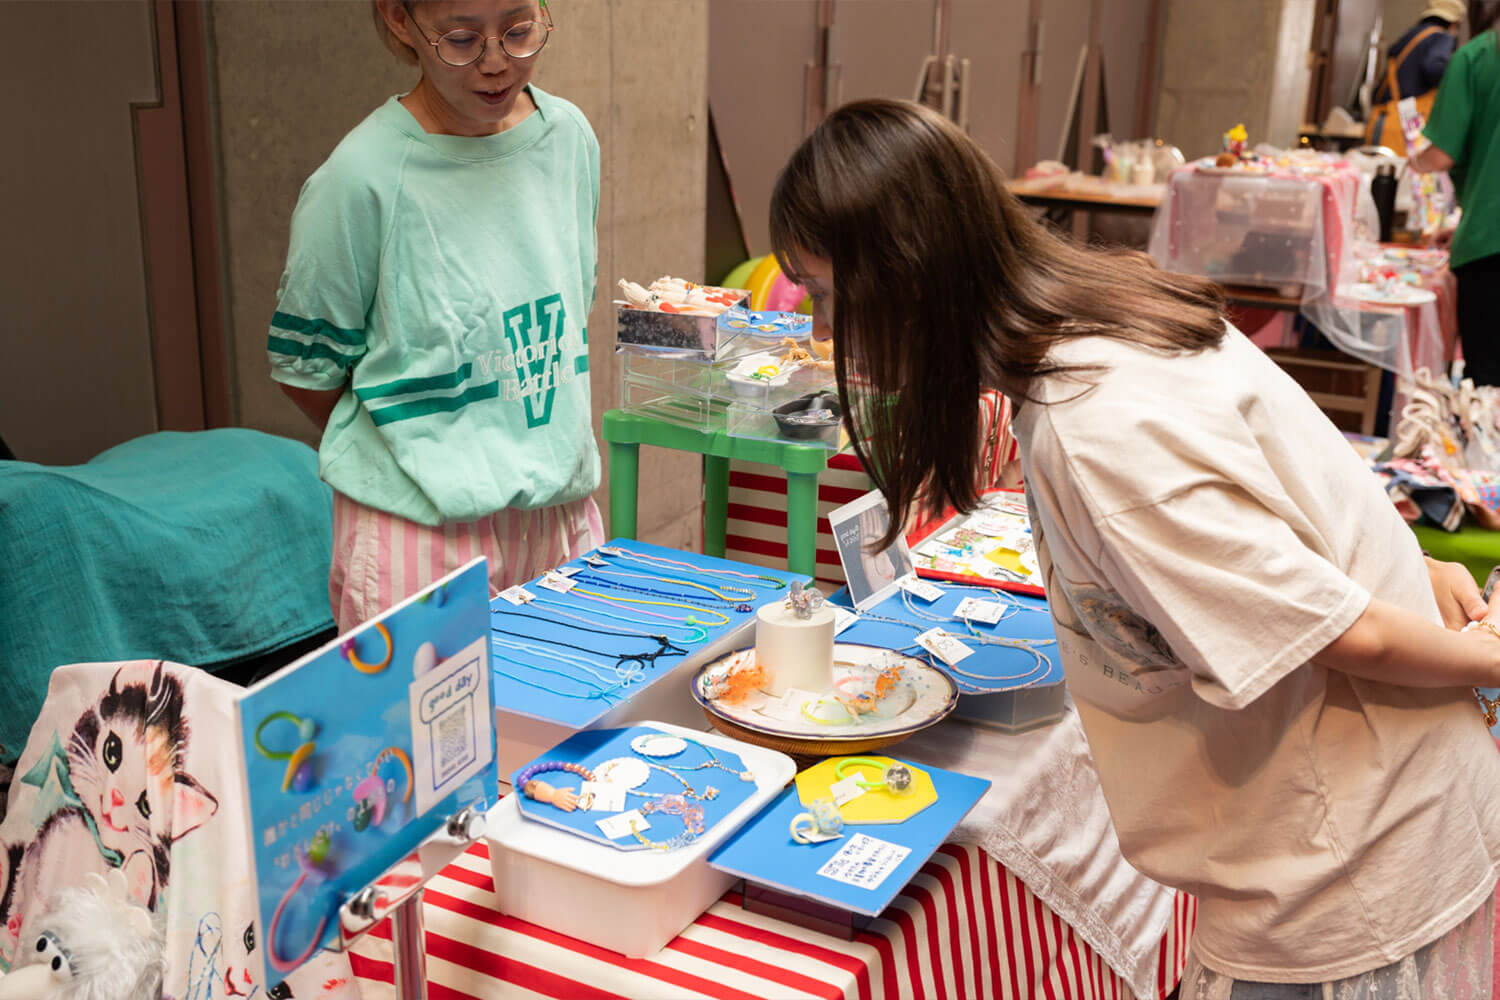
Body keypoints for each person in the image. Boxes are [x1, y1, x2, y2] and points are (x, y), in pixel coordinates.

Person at [770, 99, 1500, 994]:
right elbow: (1286, 497)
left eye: (831, 295)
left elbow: (1348, 635)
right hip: (1362, 826)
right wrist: (1409, 566)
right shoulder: (1107, 314)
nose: (820, 330)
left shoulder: (1097, 426)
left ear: (911, 279)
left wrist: (1482, 653)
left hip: (1349, 864)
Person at [267, 0, 603, 631]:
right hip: (419, 533)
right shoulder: (358, 178)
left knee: (571, 725)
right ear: (400, 21)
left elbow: (568, 312)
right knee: (424, 732)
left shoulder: (569, 139)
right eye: (461, 39)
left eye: (519, 30)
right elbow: (305, 371)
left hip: (558, 514)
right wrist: (422, 438)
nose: (497, 63)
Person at [1412, 19, 1500, 387]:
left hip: (1489, 247)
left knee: (1490, 392)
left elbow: (1441, 155)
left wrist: (1413, 161)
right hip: (1483, 230)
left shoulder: (1477, 57)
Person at [1366, 0, 1466, 153]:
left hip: (1384, 120)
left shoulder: (1412, 35)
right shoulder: (1441, 37)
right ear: (1453, 23)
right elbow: (1434, 67)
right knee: (1412, 172)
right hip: (1408, 122)